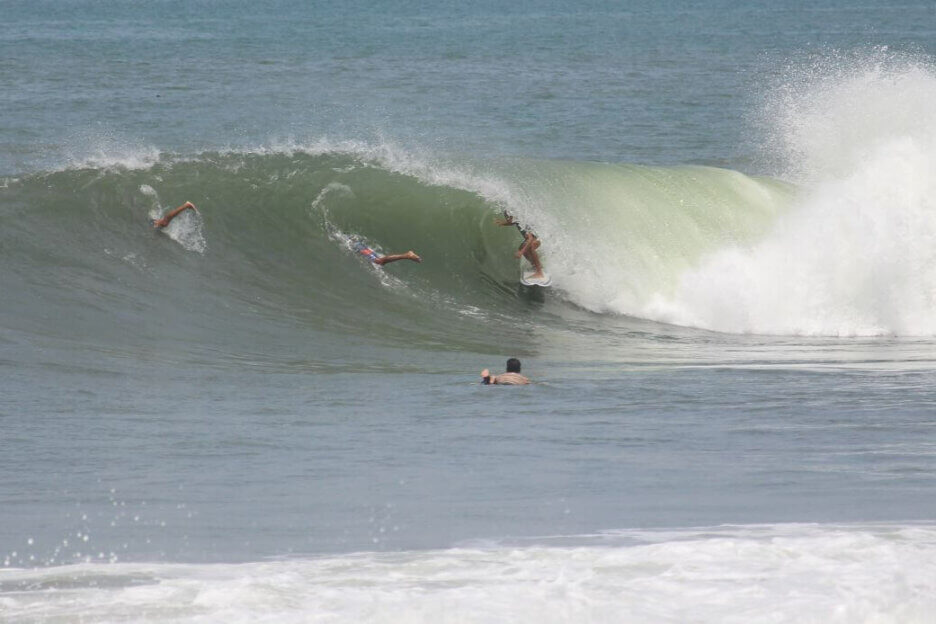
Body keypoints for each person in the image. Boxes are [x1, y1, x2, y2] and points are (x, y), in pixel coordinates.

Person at [494, 211, 545, 280]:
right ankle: (536, 265)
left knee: (529, 247)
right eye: (506, 217)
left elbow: (530, 239)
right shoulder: (517, 219)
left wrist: (521, 252)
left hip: (540, 237)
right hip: (535, 237)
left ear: (512, 216)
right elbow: (511, 222)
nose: (507, 219)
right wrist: (503, 223)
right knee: (522, 247)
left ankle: (539, 273)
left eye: (508, 217)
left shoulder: (522, 222)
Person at [350, 239, 421, 266]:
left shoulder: (354, 244)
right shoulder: (357, 243)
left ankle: (406, 255)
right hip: (362, 247)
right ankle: (406, 255)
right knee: (380, 261)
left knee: (379, 261)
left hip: (360, 248)